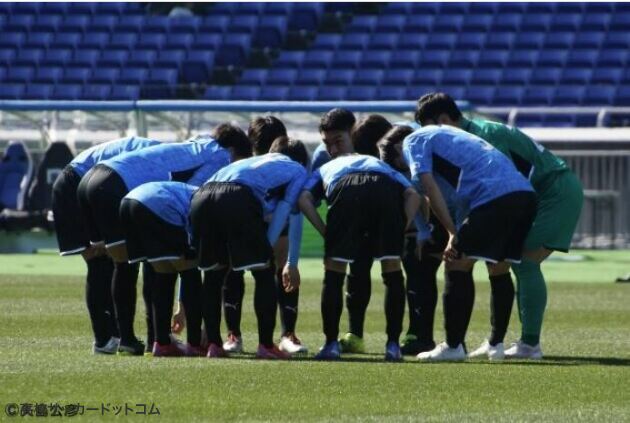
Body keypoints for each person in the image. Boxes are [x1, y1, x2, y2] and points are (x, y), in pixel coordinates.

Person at [415, 92, 584, 359]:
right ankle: (498, 343)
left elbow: (503, 184)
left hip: (554, 191)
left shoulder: (481, 136)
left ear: (444, 120)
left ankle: (529, 345)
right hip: (542, 191)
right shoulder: (473, 133)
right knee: (501, 261)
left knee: (524, 261)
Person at [79, 127, 242, 355]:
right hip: (126, 188)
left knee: (139, 265)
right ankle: (192, 342)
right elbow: (195, 199)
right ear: (234, 151)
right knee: (187, 267)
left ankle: (141, 340)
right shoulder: (221, 156)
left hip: (96, 181)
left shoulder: (196, 145)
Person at [400, 125, 537, 361]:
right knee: (499, 267)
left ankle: (453, 346)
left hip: (495, 198)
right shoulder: (458, 141)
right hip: (524, 196)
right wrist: (456, 232)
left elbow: (428, 186)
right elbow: (463, 201)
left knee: (456, 264)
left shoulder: (412, 140)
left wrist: (452, 233)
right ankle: (496, 344)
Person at [190, 137, 309, 360]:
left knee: (214, 274)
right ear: (302, 161)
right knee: (264, 271)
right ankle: (265, 345)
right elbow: (285, 209)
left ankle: (214, 344)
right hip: (236, 196)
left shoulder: (253, 162)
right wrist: (265, 249)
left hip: (202, 196)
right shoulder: (298, 170)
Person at [299, 153, 421, 361]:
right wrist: (402, 226)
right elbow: (413, 194)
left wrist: (325, 231)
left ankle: (331, 345)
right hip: (384, 189)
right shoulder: (382, 165)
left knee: (334, 272)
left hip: (346, 188)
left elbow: (303, 199)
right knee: (392, 269)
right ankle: (393, 347)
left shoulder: (326, 167)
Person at [52, 136, 161, 354]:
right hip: (79, 184)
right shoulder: (158, 160)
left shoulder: (157, 152)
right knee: (101, 260)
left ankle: (111, 337)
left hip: (79, 181)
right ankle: (105, 339)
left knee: (108, 261)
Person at [221, 116, 308, 355]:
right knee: (233, 268)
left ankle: (287, 334)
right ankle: (234, 334)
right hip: (247, 219)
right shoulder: (244, 166)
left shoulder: (287, 163)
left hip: (276, 222)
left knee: (278, 266)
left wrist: (291, 260)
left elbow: (295, 210)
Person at [310, 109, 393, 354]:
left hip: (378, 212)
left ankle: (403, 337)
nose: (333, 150)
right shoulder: (321, 157)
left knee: (379, 268)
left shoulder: (377, 151)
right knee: (352, 270)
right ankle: (353, 336)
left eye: (339, 141)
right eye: (328, 143)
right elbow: (304, 202)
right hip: (347, 215)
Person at [378, 125, 447, 356]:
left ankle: (424, 336)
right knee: (419, 277)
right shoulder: (417, 158)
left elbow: (423, 197)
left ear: (400, 147)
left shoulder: (419, 159)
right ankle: (418, 333)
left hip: (439, 223)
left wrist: (425, 232)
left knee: (422, 276)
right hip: (431, 225)